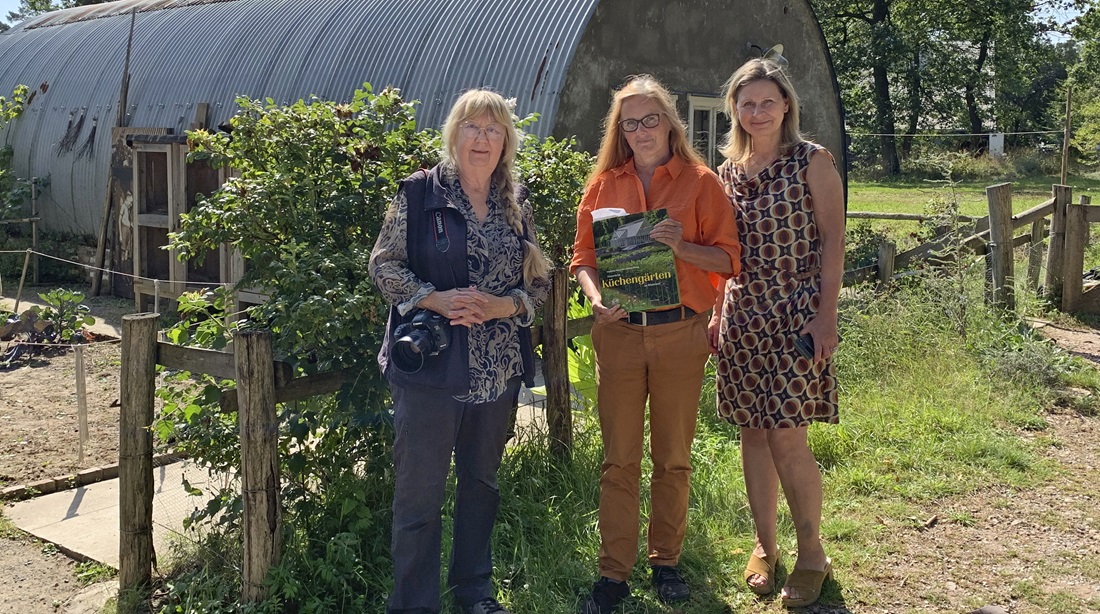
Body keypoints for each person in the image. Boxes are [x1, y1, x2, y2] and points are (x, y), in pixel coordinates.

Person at [369, 89, 551, 614]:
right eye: (473, 127)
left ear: (506, 142)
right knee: (419, 500)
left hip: (497, 374)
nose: (483, 139)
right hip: (430, 372)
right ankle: (413, 604)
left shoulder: (516, 203)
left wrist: (503, 307)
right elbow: (383, 264)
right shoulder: (420, 194)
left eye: (494, 130)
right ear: (454, 132)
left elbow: (539, 285)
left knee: (481, 486)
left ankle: (474, 591)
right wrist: (433, 298)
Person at [570, 74, 741, 612]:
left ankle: (665, 561)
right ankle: (613, 573)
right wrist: (594, 299)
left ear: (669, 123)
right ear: (619, 130)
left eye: (650, 119)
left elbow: (730, 261)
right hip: (618, 336)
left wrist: (682, 246)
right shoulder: (603, 186)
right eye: (630, 122)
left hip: (679, 334)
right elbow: (583, 261)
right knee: (619, 460)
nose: (641, 130)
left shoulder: (699, 182)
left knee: (672, 458)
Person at [709, 58, 845, 608]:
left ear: (786, 104)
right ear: (734, 111)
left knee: (787, 434)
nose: (757, 111)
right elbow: (726, 251)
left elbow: (834, 240)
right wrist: (719, 309)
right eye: (747, 103)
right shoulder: (728, 172)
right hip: (743, 313)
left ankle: (813, 553)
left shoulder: (812, 161)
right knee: (751, 433)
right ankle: (765, 546)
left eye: (767, 101)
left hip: (799, 311)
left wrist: (827, 315)